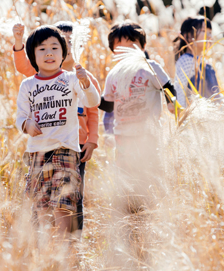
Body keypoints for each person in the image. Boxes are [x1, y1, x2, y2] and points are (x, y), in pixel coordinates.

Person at [12, 21, 100, 237]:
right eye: (42, 49)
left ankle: (66, 249)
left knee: (65, 203)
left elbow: (93, 103)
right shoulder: (28, 84)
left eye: (55, 48)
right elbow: (20, 116)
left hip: (67, 149)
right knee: (41, 204)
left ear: (64, 52)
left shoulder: (73, 78)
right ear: (33, 56)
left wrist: (86, 83)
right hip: (38, 152)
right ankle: (44, 252)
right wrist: (26, 125)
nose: (48, 53)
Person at [101, 21, 176, 210]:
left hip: (147, 135)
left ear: (142, 47)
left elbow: (167, 86)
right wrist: (90, 94)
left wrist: (171, 102)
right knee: (126, 175)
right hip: (123, 136)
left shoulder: (149, 67)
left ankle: (153, 209)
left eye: (132, 46)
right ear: (113, 52)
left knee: (150, 171)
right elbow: (108, 105)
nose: (127, 51)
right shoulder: (114, 74)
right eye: (121, 48)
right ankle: (130, 211)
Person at [173, 17, 219, 107]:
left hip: (212, 116)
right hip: (196, 117)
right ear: (188, 36)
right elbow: (180, 91)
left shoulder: (206, 62)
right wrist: (183, 115)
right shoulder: (186, 60)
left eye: (210, 32)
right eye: (204, 31)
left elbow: (216, 94)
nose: (209, 36)